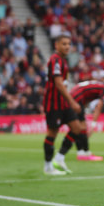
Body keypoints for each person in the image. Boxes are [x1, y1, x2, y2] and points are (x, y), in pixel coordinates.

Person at [42, 34, 82, 176]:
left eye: (69, 44)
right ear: (56, 45)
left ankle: (59, 158)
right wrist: (72, 101)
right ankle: (48, 167)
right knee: (52, 133)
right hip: (54, 103)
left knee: (77, 128)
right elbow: (58, 83)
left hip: (63, 103)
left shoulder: (63, 61)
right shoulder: (55, 60)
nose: (67, 46)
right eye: (64, 44)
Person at [70, 80, 104, 161]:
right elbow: (99, 107)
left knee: (79, 126)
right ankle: (86, 153)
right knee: (82, 127)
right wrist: (93, 125)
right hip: (77, 97)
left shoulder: (98, 86)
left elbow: (87, 97)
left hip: (73, 94)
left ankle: (81, 153)